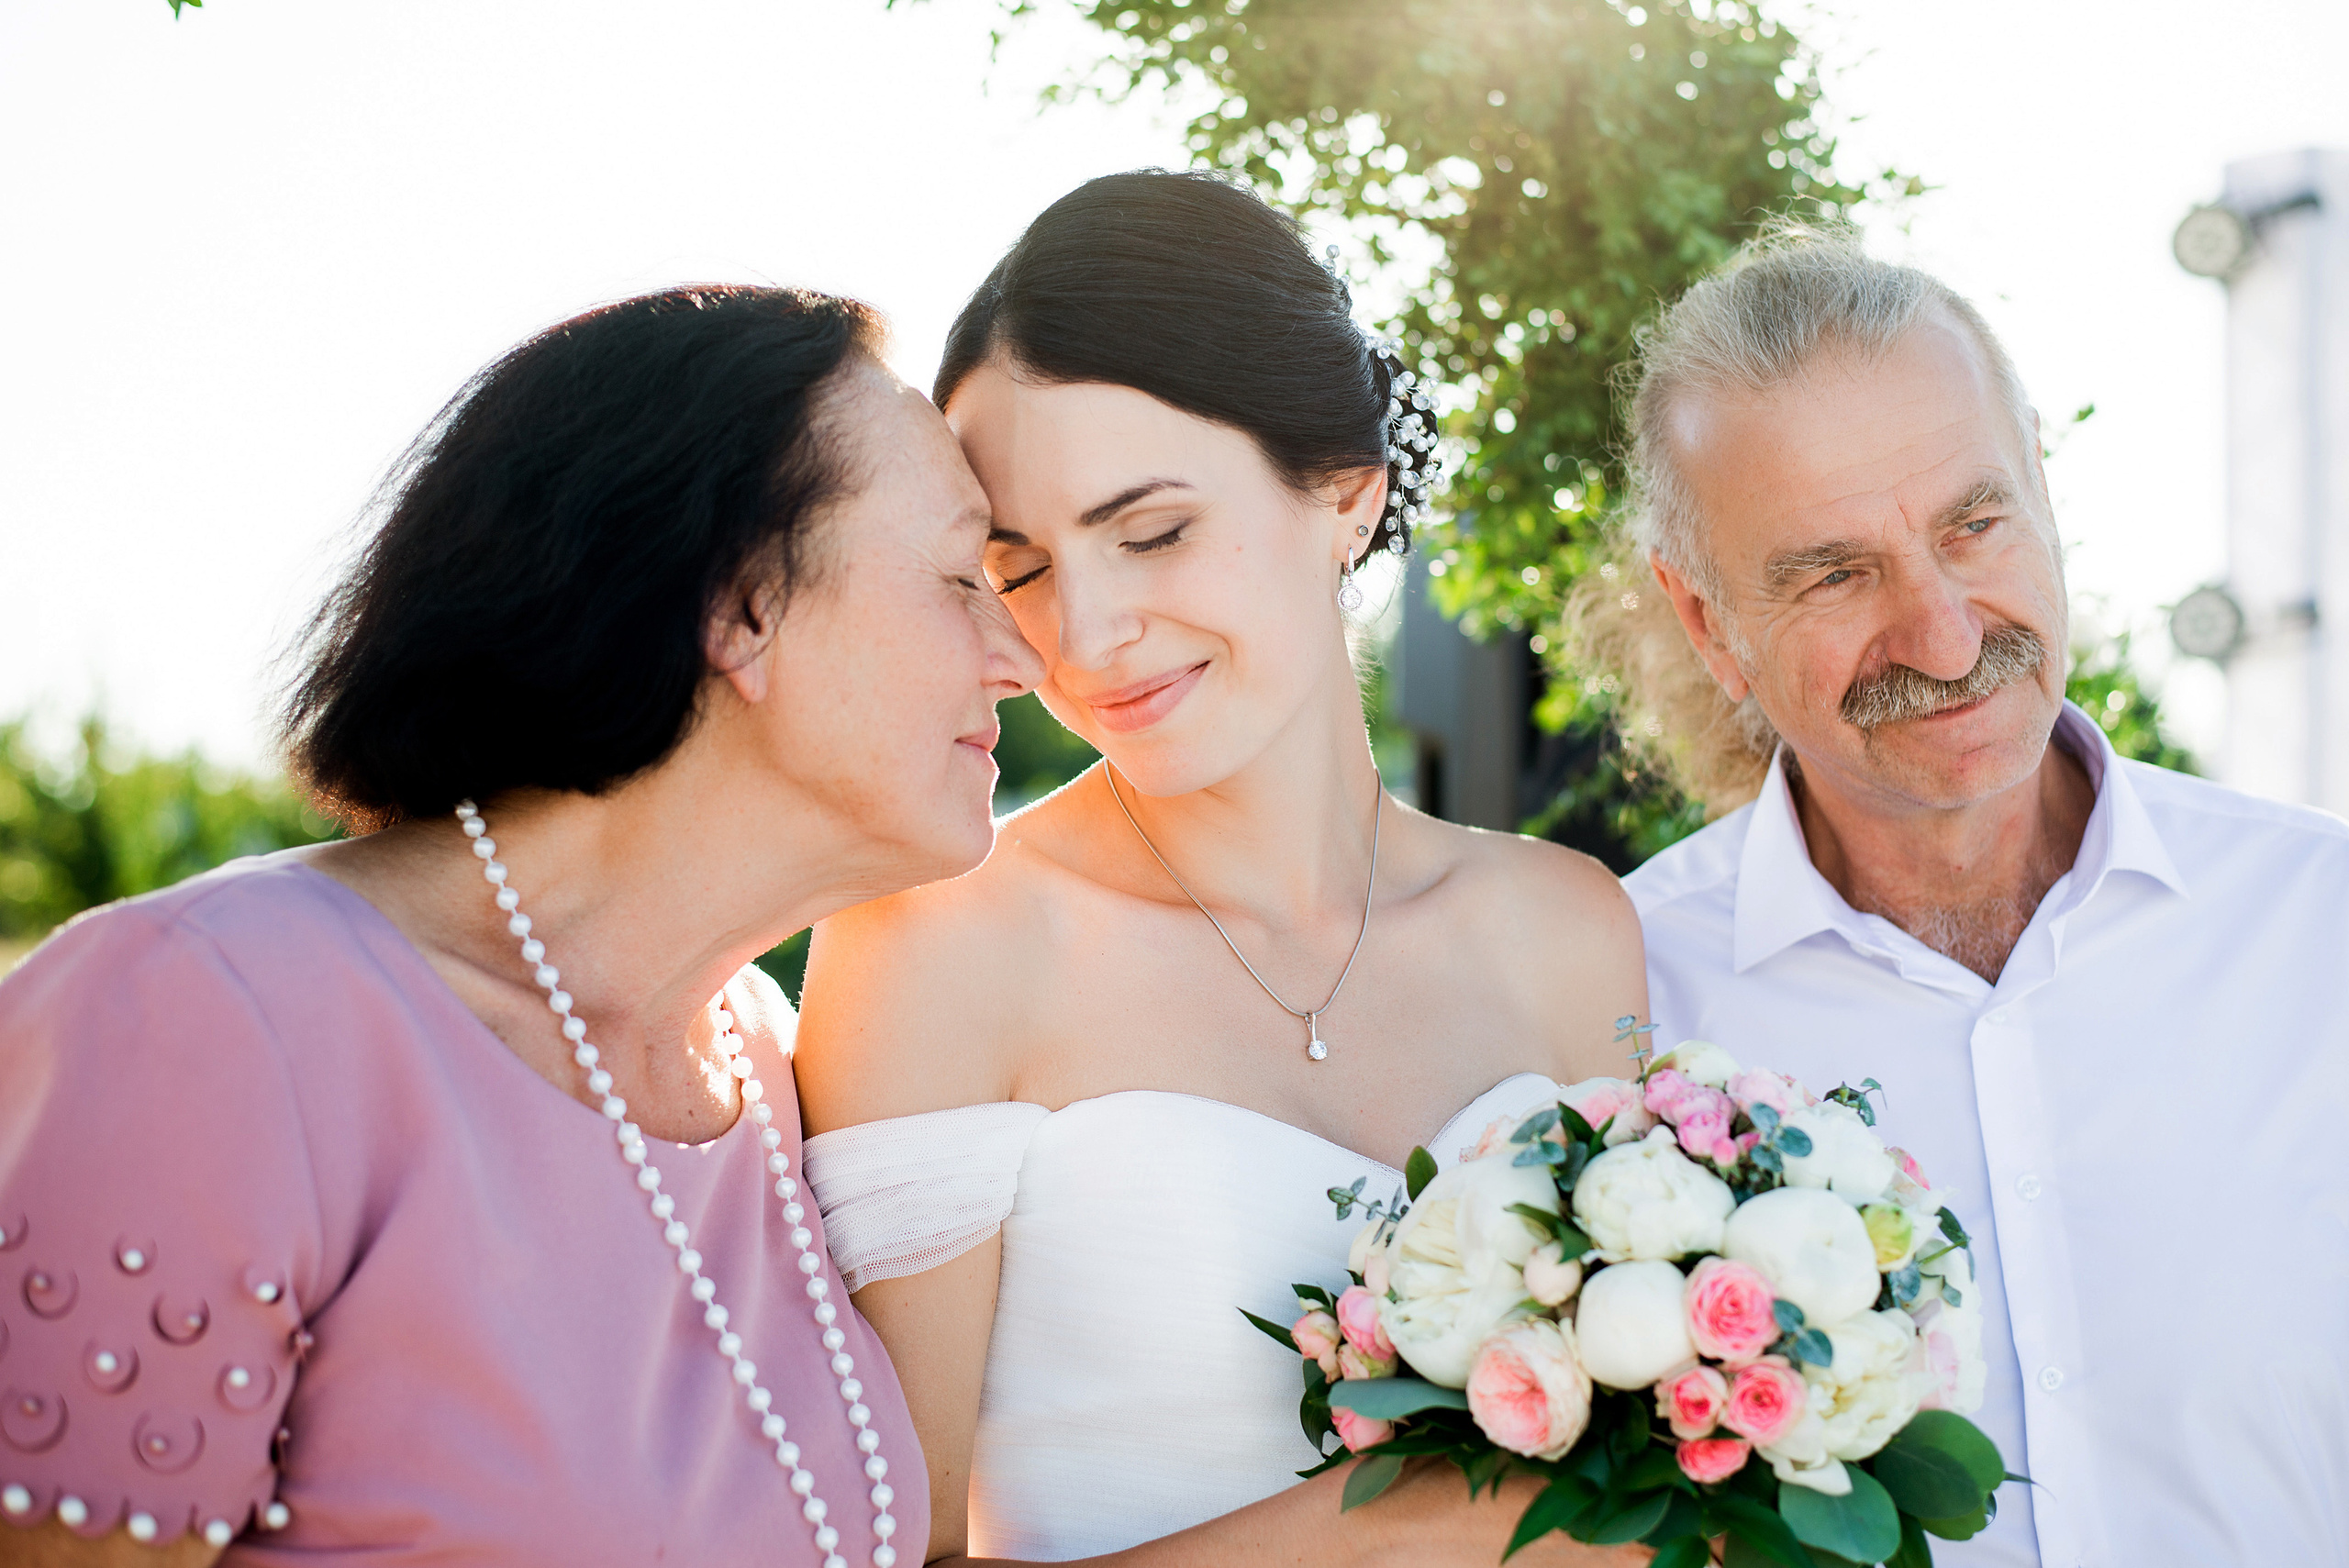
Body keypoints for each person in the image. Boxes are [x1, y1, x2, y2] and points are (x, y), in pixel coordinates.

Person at [0, 285, 1044, 1564]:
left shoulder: (767, 1064)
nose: (1022, 656)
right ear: (740, 607)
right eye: (956, 575)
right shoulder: (207, 1016)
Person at [791, 172, 1649, 1567]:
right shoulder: (938, 942)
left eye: (1153, 531)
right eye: (1017, 567)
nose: (1087, 632)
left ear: (1346, 494)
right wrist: (1421, 1519)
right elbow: (892, 1554)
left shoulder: (1566, 928)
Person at [1577, 226, 2349, 1566]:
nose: (1942, 634)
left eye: (1973, 523)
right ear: (1709, 624)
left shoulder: (2321, 922)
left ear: (2042, 484)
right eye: (1834, 572)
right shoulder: (1614, 1012)